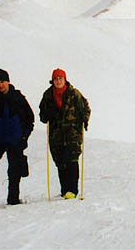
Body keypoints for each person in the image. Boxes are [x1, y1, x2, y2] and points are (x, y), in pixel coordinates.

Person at [0, 69, 35, 210]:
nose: (0, 85)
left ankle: (13, 199)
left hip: (15, 140)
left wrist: (24, 136)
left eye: (2, 81)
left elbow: (30, 118)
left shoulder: (18, 98)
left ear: (8, 81)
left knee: (14, 170)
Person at [39, 68, 90, 199]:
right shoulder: (48, 95)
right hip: (56, 135)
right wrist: (46, 115)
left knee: (72, 159)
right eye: (56, 79)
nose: (58, 81)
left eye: (60, 78)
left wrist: (84, 119)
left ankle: (72, 190)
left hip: (73, 133)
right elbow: (42, 115)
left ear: (65, 79)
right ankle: (64, 189)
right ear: (53, 81)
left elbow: (85, 108)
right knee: (60, 161)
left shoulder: (74, 93)